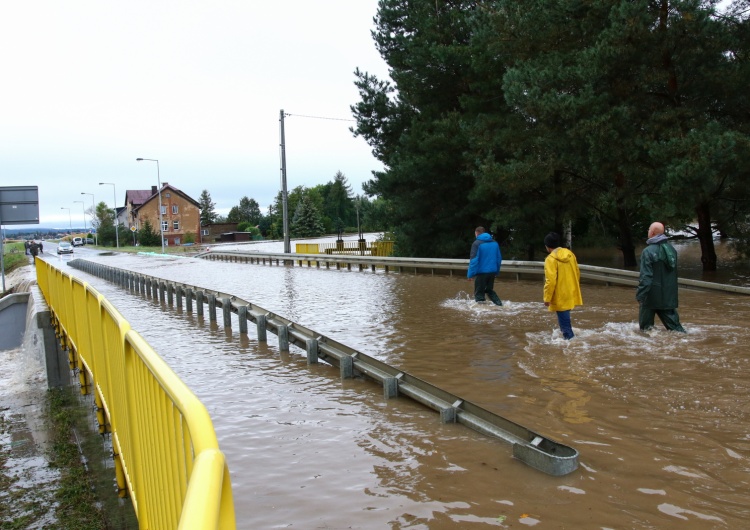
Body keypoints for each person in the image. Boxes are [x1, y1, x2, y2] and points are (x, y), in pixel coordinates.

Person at [635, 222, 686, 332]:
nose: (648, 231)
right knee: (677, 330)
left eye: (649, 229)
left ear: (652, 232)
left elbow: (646, 277)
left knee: (646, 331)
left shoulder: (648, 251)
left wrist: (640, 295)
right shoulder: (672, 250)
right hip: (668, 297)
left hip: (650, 297)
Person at [543, 232, 583, 340]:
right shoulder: (570, 254)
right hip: (571, 291)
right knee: (565, 321)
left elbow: (550, 281)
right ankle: (568, 342)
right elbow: (577, 272)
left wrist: (547, 298)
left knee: (565, 327)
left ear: (547, 246)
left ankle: (571, 347)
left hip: (560, 295)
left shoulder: (550, 259)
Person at [467, 226, 502, 305]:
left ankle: (481, 313)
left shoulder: (476, 243)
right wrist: (496, 271)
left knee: (479, 294)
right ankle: (500, 306)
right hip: (492, 272)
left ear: (476, 233)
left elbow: (474, 261)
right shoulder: (494, 243)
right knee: (489, 290)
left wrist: (470, 274)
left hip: (481, 273)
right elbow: (498, 259)